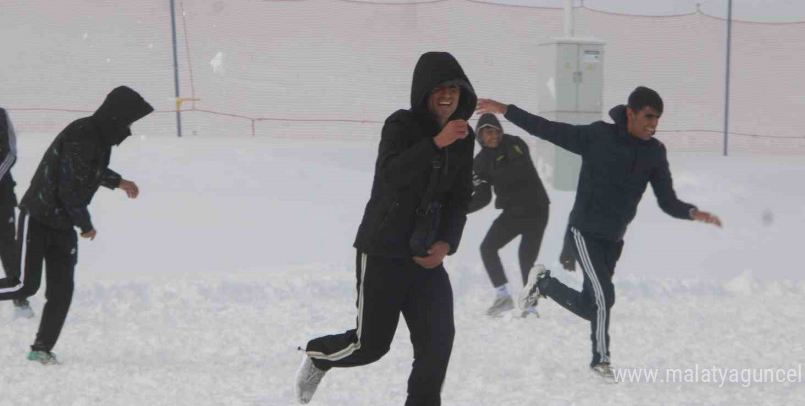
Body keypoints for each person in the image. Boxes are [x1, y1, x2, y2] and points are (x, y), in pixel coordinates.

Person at [475, 86, 722, 379]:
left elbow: (667, 201)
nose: (653, 125)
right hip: (583, 231)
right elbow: (548, 129)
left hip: (612, 239)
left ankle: (544, 284)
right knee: (604, 296)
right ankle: (600, 361)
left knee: (592, 306)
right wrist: (505, 110)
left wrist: (692, 212)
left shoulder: (654, 153)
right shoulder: (599, 137)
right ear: (630, 113)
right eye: (648, 117)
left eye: (657, 119)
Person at [295, 52, 475, 405]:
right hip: (383, 250)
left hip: (426, 253)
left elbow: (460, 195)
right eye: (439, 88)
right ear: (424, 91)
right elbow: (391, 174)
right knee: (371, 346)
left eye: (454, 89)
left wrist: (447, 243)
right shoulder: (401, 125)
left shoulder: (463, 136)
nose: (447, 95)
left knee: (438, 342)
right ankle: (319, 355)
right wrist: (436, 142)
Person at [0, 86, 152, 365]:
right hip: (38, 216)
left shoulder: (99, 138)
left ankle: (41, 349)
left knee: (61, 291)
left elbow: (87, 171)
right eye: (129, 120)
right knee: (23, 284)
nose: (130, 127)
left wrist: (117, 182)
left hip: (62, 222)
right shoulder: (84, 134)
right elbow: (69, 186)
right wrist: (85, 225)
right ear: (117, 116)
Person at [468, 113, 549, 318]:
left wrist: (488, 174)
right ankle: (503, 297)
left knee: (525, 258)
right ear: (480, 135)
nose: (494, 136)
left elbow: (519, 171)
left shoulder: (515, 144)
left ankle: (530, 308)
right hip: (512, 213)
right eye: (488, 132)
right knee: (487, 247)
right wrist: (460, 209)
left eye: (496, 131)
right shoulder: (480, 162)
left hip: (536, 209)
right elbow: (483, 197)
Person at [0, 108, 27, 318]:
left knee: (7, 246)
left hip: (2, 196)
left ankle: (20, 300)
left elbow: (10, 153)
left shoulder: (0, 115)